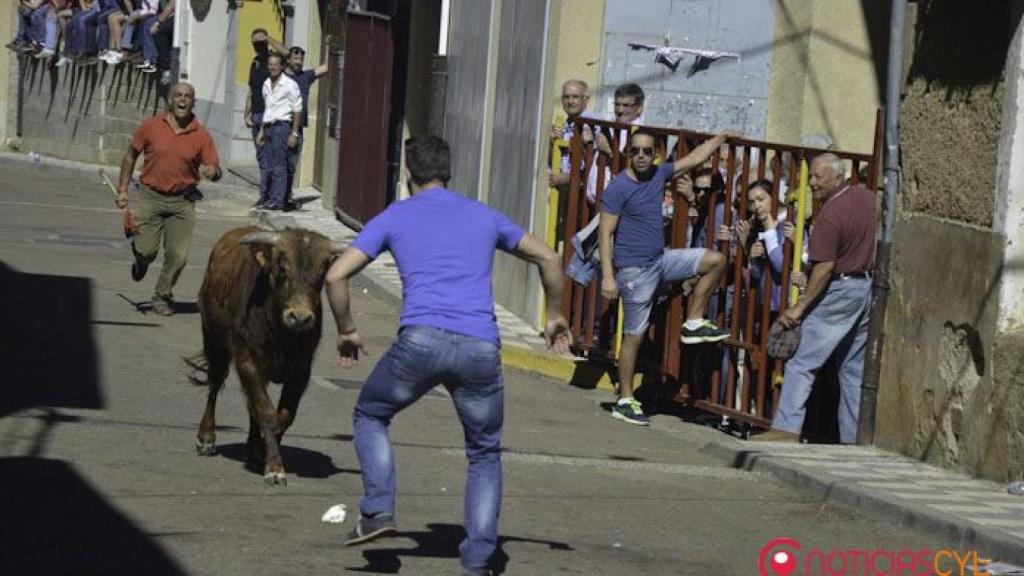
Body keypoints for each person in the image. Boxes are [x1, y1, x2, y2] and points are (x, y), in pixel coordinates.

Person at [325, 135, 572, 576]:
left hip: (420, 342)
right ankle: (477, 559)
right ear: (449, 171)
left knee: (371, 414)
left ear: (407, 172)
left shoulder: (393, 216)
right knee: (484, 453)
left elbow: (336, 276)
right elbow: (550, 258)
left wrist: (347, 330)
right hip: (480, 348)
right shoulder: (483, 216)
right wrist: (554, 316)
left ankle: (379, 510)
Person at [599, 129, 737, 425]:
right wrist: (608, 277)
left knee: (715, 260)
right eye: (635, 150)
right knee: (633, 336)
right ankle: (625, 399)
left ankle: (694, 320)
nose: (640, 156)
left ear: (655, 154)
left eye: (647, 151)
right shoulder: (618, 188)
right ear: (628, 153)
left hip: (660, 260)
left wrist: (722, 137)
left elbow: (695, 158)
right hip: (634, 271)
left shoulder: (660, 174)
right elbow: (605, 232)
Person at [754, 153, 875, 443]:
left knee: (801, 362)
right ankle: (852, 440)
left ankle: (786, 429)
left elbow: (824, 267)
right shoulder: (869, 199)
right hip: (865, 288)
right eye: (813, 177)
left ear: (839, 176)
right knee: (852, 369)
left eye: (819, 177)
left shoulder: (829, 215)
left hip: (840, 291)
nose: (812, 184)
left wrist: (800, 306)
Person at [114, 82, 221, 316]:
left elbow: (215, 168)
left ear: (194, 103)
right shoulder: (151, 126)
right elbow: (131, 155)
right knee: (146, 251)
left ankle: (162, 296)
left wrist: (212, 172)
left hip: (182, 201)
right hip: (150, 196)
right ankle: (141, 260)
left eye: (188, 97)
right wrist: (122, 188)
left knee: (179, 256)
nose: (182, 100)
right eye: (178, 95)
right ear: (170, 100)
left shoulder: (201, 135)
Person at [244, 28, 287, 207]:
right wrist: (246, 112)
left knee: (272, 158)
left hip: (271, 115)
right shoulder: (254, 62)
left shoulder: (273, 60)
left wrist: (268, 39)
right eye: (254, 43)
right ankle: (264, 195)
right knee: (262, 157)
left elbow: (287, 53)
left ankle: (271, 196)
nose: (257, 46)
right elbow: (251, 90)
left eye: (260, 42)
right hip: (257, 115)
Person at [254, 52, 302, 210]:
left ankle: (278, 201)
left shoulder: (290, 84)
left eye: (275, 64)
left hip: (282, 128)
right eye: (270, 64)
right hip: (268, 127)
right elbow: (268, 109)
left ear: (282, 66)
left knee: (279, 166)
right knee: (268, 165)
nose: (272, 67)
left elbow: (297, 110)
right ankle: (269, 198)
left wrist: (294, 133)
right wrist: (261, 130)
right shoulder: (266, 84)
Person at [282, 45, 328, 209]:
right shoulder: (281, 77)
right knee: (280, 163)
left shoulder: (306, 77)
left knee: (291, 165)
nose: (298, 62)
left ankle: (286, 195)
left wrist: (329, 44)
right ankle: (278, 196)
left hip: (298, 129)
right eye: (295, 58)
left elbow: (326, 67)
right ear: (288, 60)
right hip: (282, 126)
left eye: (301, 59)